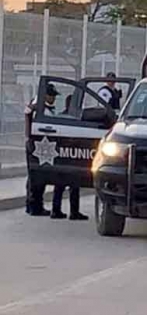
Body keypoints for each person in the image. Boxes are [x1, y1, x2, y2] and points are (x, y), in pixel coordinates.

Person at [49, 94, 88, 220]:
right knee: (74, 185)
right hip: (73, 156)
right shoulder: (78, 119)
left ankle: (56, 210)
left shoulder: (60, 117)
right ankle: (74, 212)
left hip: (61, 156)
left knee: (59, 184)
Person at [24, 84, 59, 216]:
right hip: (36, 145)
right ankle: (34, 206)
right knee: (36, 176)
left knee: (37, 176)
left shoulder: (40, 106)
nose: (53, 99)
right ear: (45, 95)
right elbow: (28, 115)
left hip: (40, 145)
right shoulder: (37, 106)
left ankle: (34, 205)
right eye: (52, 96)